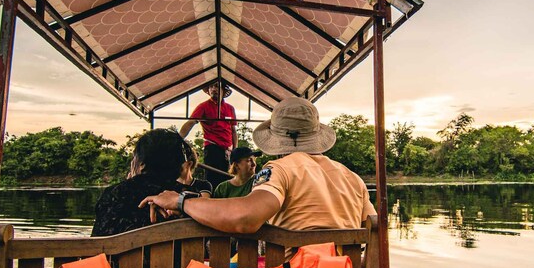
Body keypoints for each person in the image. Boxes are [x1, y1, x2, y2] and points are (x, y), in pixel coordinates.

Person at [140, 97, 376, 236]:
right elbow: (373, 232)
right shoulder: (352, 177)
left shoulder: (279, 168)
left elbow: (245, 218)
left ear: (277, 139)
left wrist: (181, 201)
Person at [92, 129, 212, 237]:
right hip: (179, 262)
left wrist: (129, 183)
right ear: (179, 165)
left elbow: (97, 246)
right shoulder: (190, 200)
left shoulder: (113, 195)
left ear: (141, 162)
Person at [179, 81, 237, 188]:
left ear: (223, 91)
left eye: (217, 87)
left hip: (228, 151)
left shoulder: (230, 108)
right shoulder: (203, 106)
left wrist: (235, 150)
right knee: (213, 179)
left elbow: (233, 131)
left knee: (228, 179)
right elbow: (191, 122)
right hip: (212, 149)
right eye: (211, 87)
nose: (213, 89)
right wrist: (178, 139)